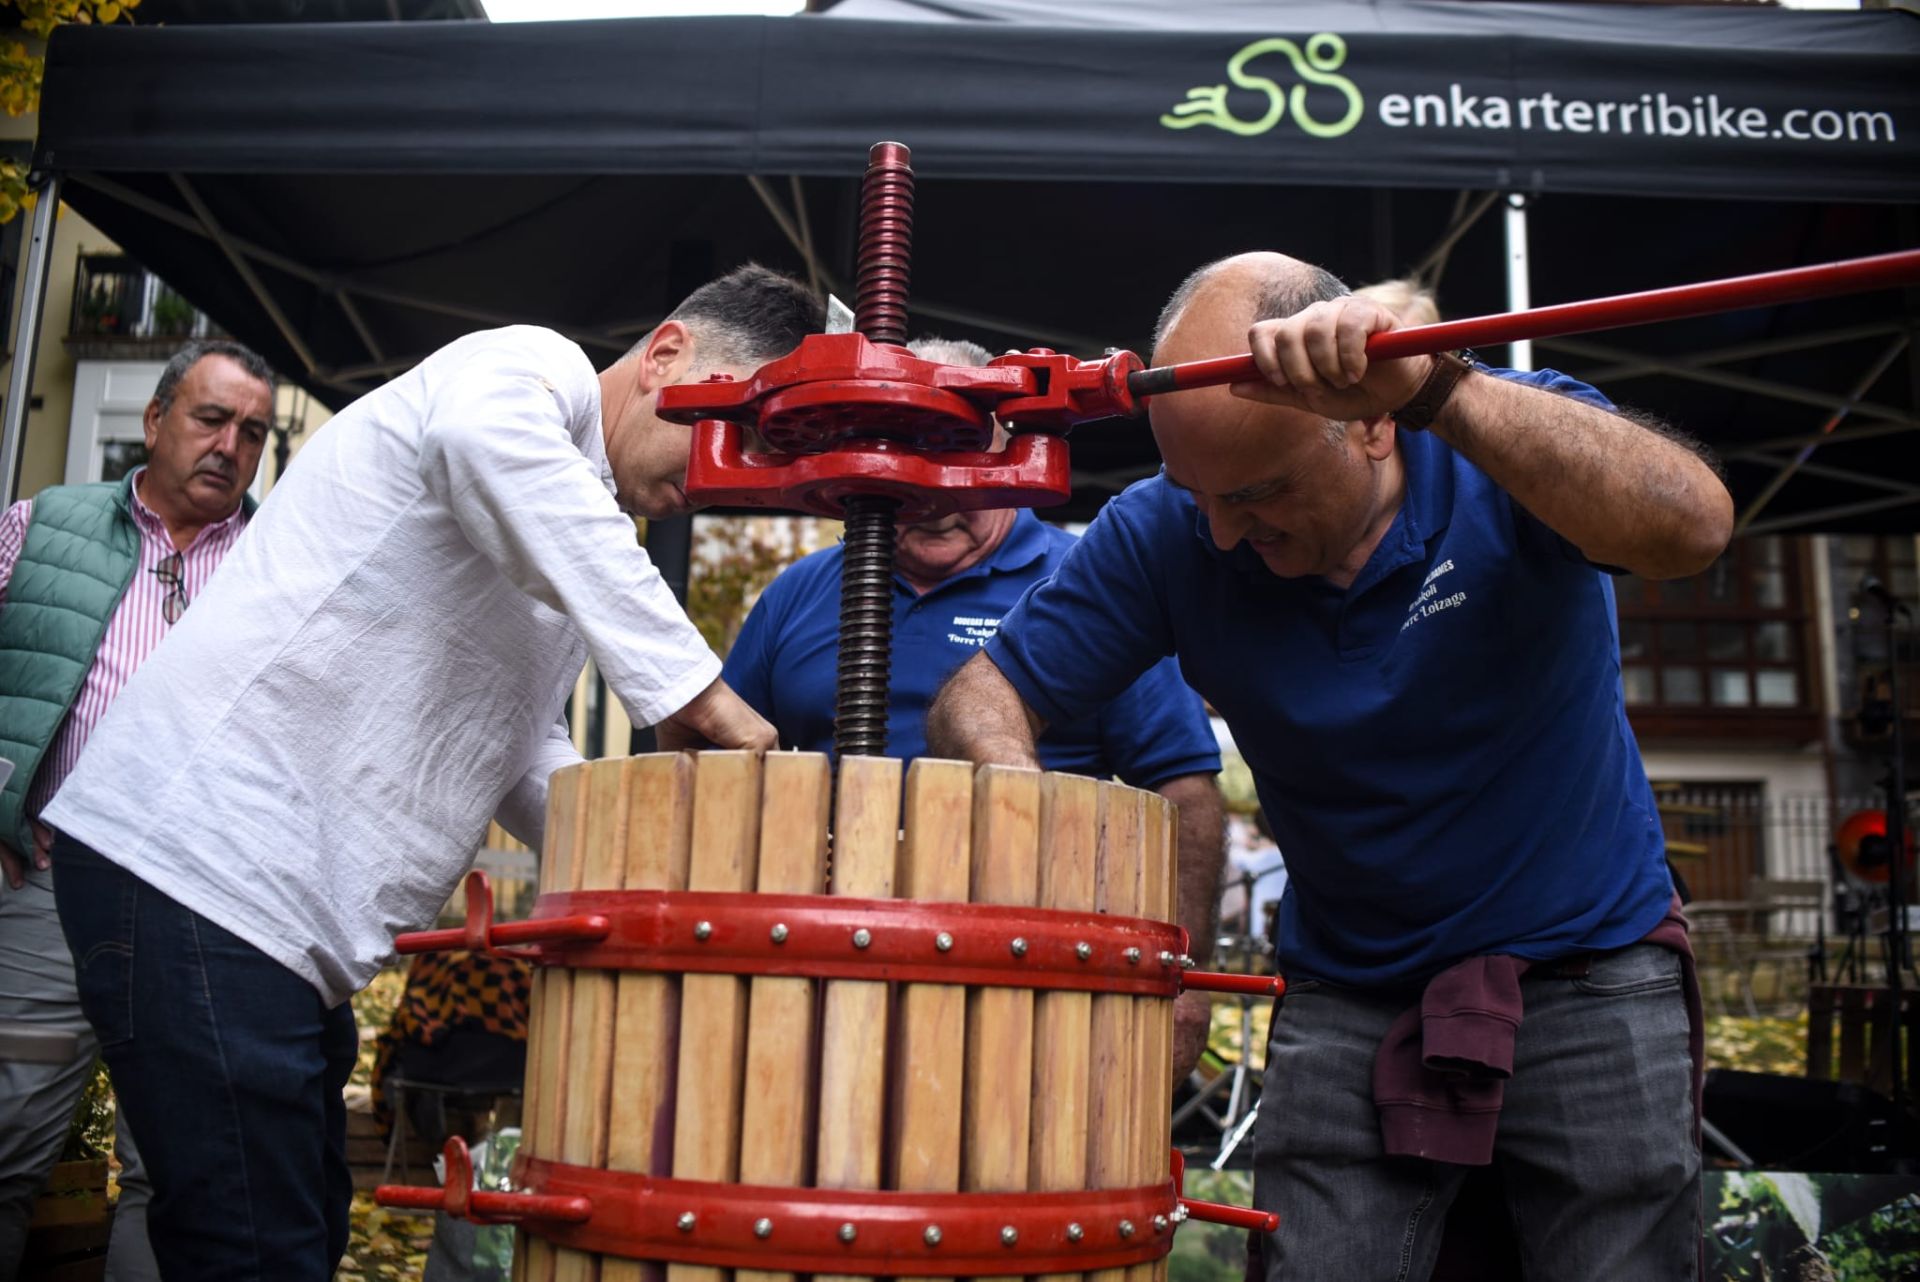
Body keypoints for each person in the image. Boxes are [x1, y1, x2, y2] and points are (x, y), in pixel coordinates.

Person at [927, 252, 1732, 1280]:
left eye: (1258, 491)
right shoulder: (1172, 533)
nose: (1223, 530)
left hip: (1590, 966)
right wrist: (1019, 798)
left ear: (1370, 421)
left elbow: (1693, 530)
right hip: (1349, 989)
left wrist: (1444, 381)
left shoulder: (1499, 442)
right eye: (1198, 494)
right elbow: (977, 698)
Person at [41, 265, 816, 1280]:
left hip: (266, 927)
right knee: (251, 1250)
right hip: (196, 872)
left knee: (299, 1229)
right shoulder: (526, 371)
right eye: (731, 426)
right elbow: (484, 445)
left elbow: (517, 743)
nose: (725, 471)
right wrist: (698, 692)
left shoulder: (572, 526)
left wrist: (650, 860)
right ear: (668, 354)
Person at [716, 336, 1227, 1075]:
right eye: (905, 468)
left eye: (953, 459)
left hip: (1022, 974)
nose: (931, 499)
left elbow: (1183, 787)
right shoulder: (799, 592)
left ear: (1005, 448)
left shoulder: (1084, 587)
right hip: (815, 968)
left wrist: (1184, 977)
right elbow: (718, 757)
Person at [0, 339, 276, 1282]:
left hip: (205, 911)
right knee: (4, 1144)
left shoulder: (285, 567)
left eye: (253, 433)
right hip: (45, 893)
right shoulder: (41, 527)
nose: (230, 446)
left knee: (174, 1179)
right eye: (211, 418)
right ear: (155, 421)